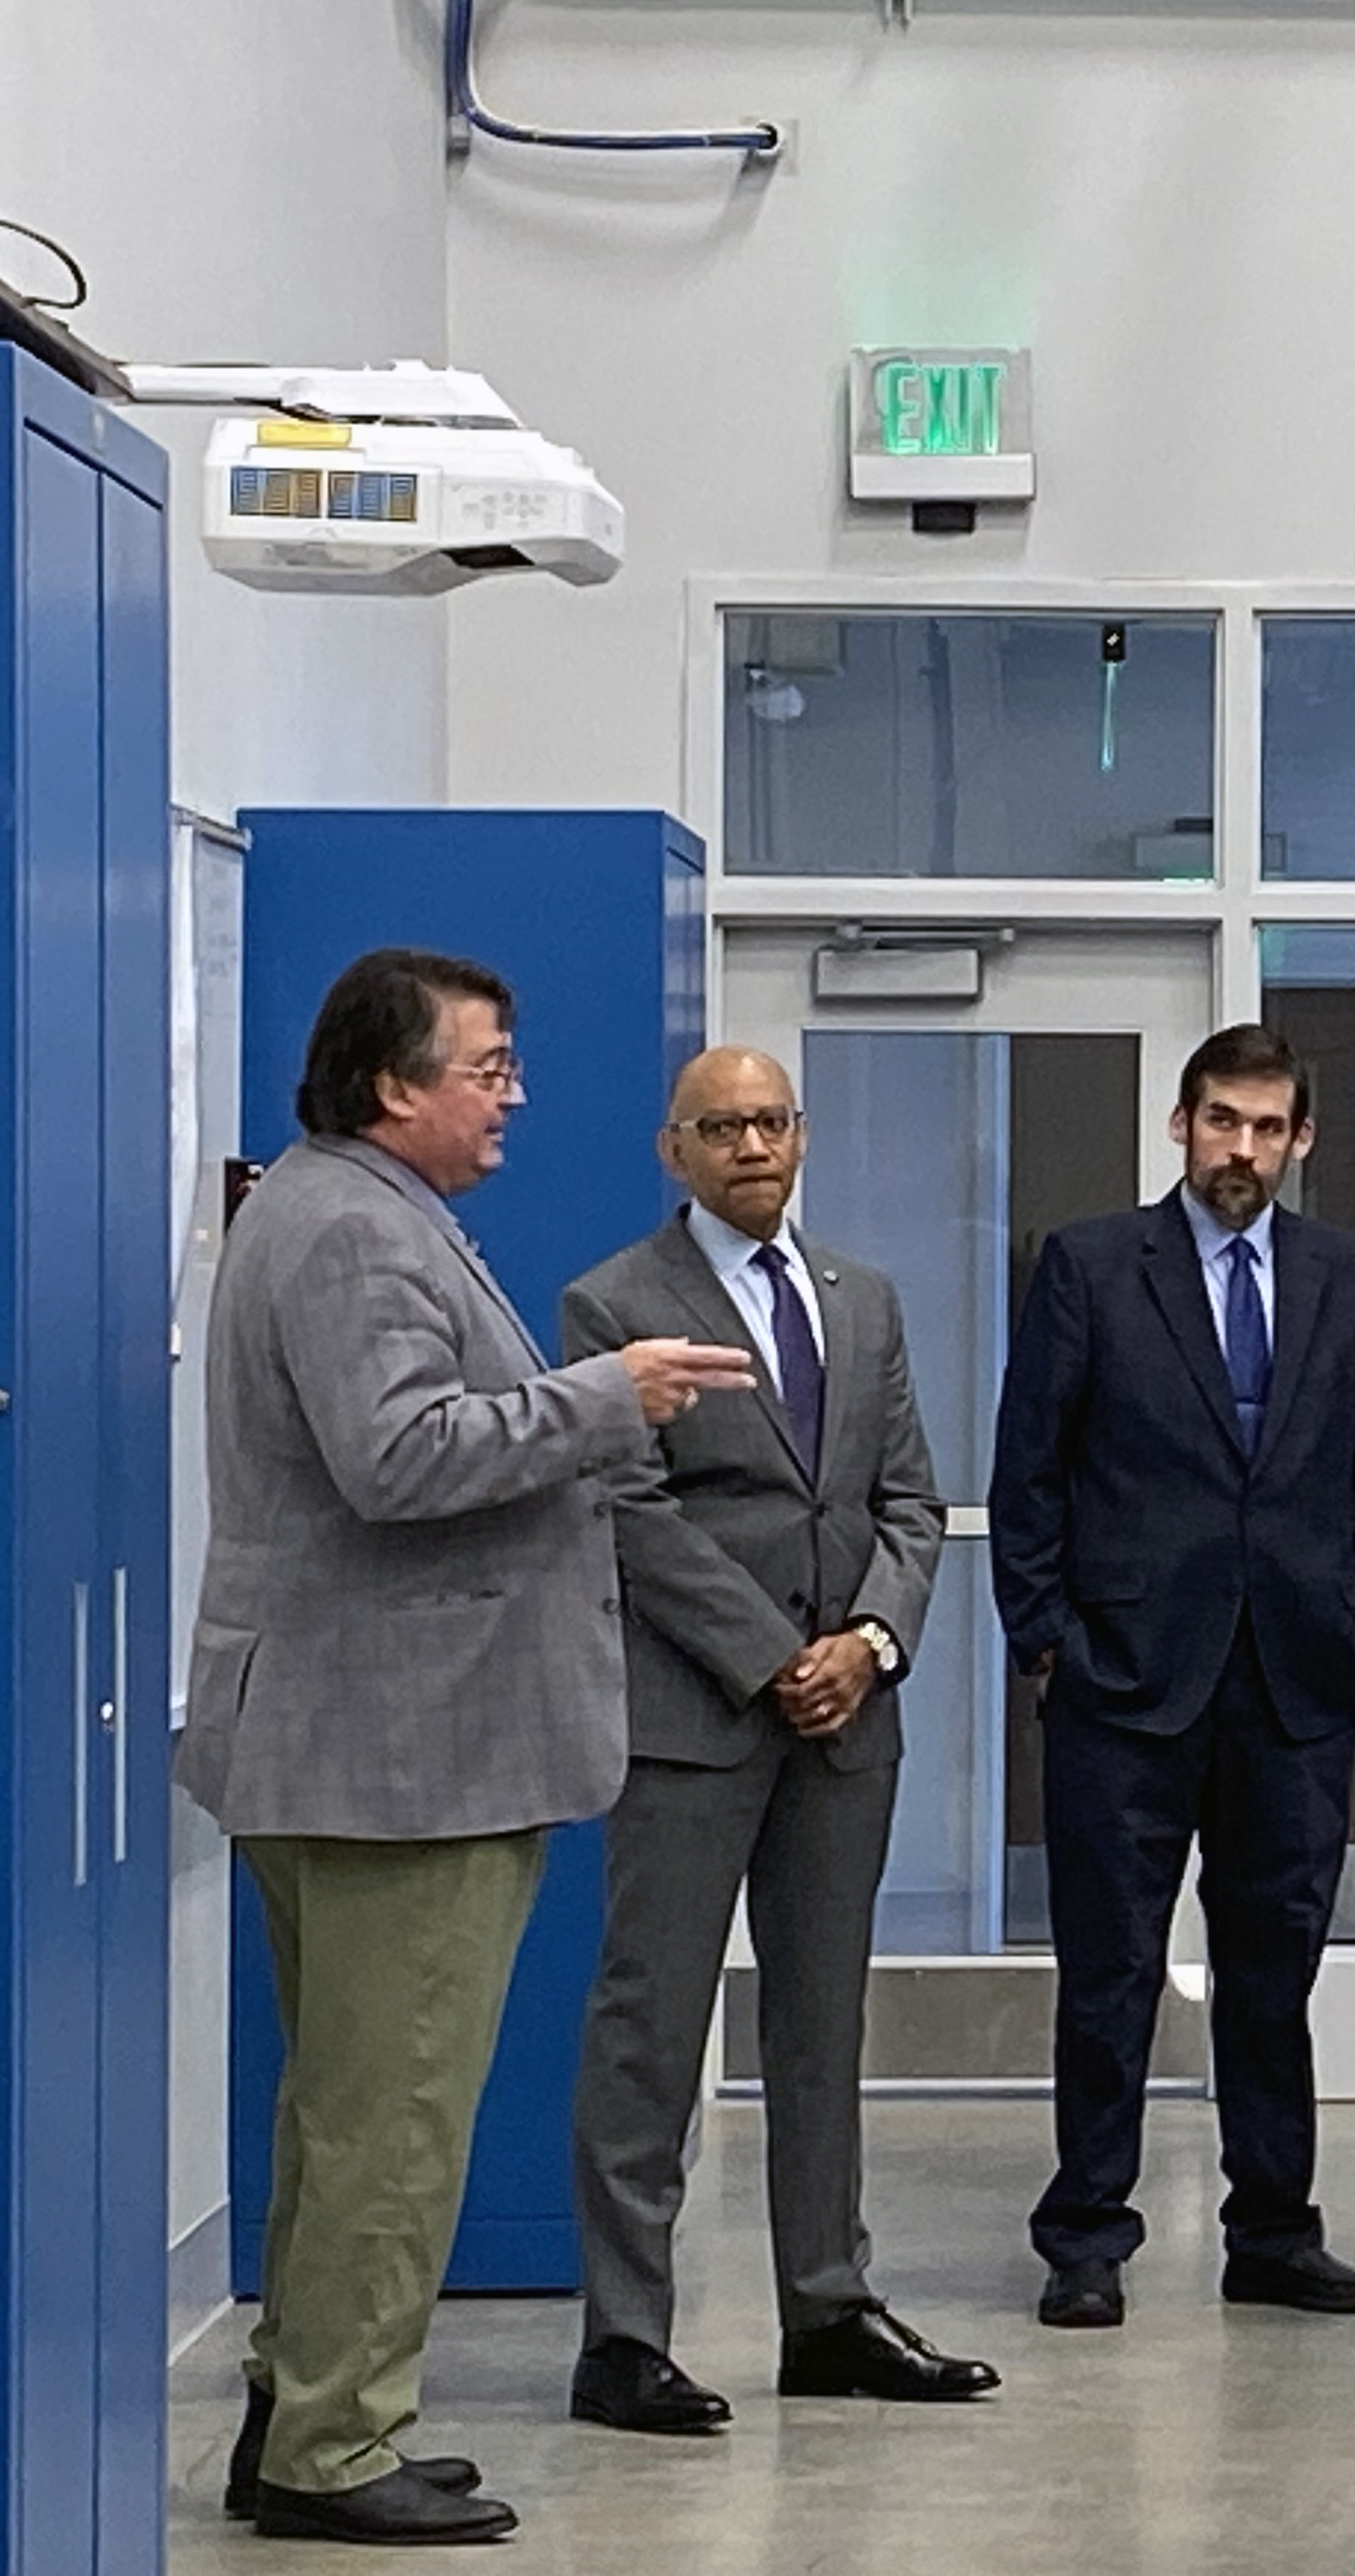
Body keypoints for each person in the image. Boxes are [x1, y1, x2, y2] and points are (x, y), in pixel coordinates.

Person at [177, 950, 755, 2544]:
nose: (513, 1097)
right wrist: (608, 1398)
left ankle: (305, 2405)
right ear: (393, 1085)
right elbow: (400, 1453)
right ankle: (336, 2448)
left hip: (348, 1738)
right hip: (401, 1758)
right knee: (398, 2110)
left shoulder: (330, 1204)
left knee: (342, 2106)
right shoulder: (358, 1231)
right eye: (487, 1069)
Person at [559, 1047, 995, 2438]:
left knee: (821, 2027)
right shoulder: (614, 1303)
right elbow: (629, 1505)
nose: (751, 1142)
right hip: (699, 1722)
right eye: (719, 1126)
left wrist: (866, 1643)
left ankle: (828, 2305)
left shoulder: (859, 1298)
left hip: (847, 1726)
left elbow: (910, 1501)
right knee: (652, 2028)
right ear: (671, 1149)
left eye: (770, 1119)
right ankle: (625, 2338)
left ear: (801, 1135)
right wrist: (769, 1655)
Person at [991, 1024, 1355, 2331]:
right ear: (1180, 1124)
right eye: (1221, 1120)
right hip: (1121, 1675)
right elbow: (1028, 1472)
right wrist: (1046, 1639)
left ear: (1301, 1140)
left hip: (1290, 1681)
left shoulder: (1343, 1277)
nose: (1243, 1148)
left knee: (1272, 1966)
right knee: (1109, 1966)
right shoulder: (1092, 1264)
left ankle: (1274, 2229)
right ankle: (1086, 2233)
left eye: (1267, 1126)